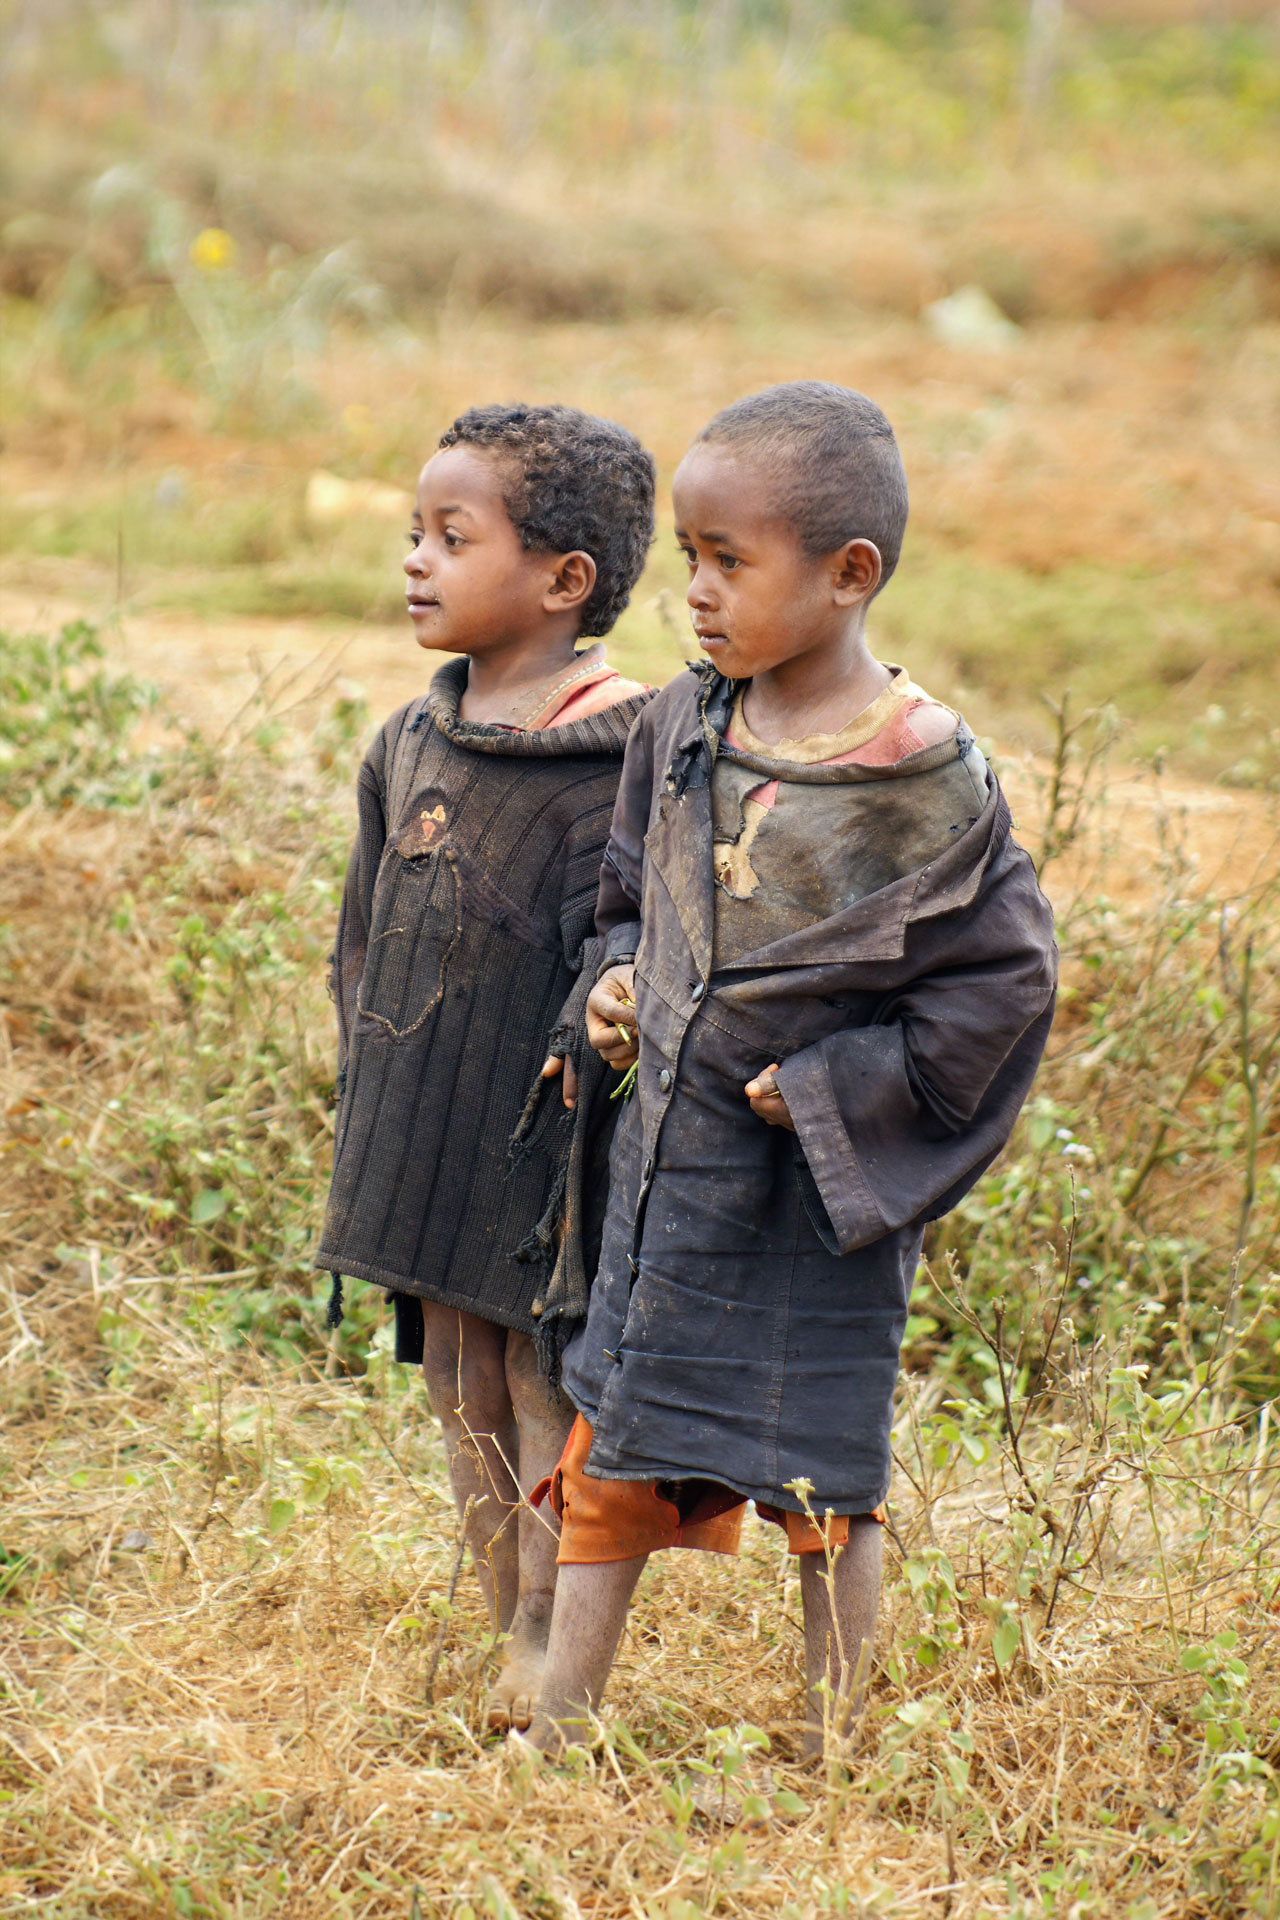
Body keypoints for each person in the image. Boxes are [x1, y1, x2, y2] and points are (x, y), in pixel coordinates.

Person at [519, 381, 1057, 1760]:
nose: (692, 592)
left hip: (813, 1195)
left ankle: (837, 1739)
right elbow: (625, 895)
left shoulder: (930, 785)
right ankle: (562, 1725)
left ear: (848, 574)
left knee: (827, 1473)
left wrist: (837, 1089)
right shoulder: (684, 728)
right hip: (670, 1179)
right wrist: (621, 981)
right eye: (687, 559)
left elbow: (1000, 990)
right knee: (615, 1441)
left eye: (728, 562)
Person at [316, 402, 655, 1732]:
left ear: (564, 582)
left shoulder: (630, 753)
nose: (416, 559)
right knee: (456, 1374)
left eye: (452, 537)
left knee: (537, 1381)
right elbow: (361, 945)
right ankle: (499, 1619)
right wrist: (369, 1092)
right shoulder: (410, 739)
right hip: (426, 1132)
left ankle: (547, 1644)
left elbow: (643, 945)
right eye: (415, 532)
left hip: (552, 1148)